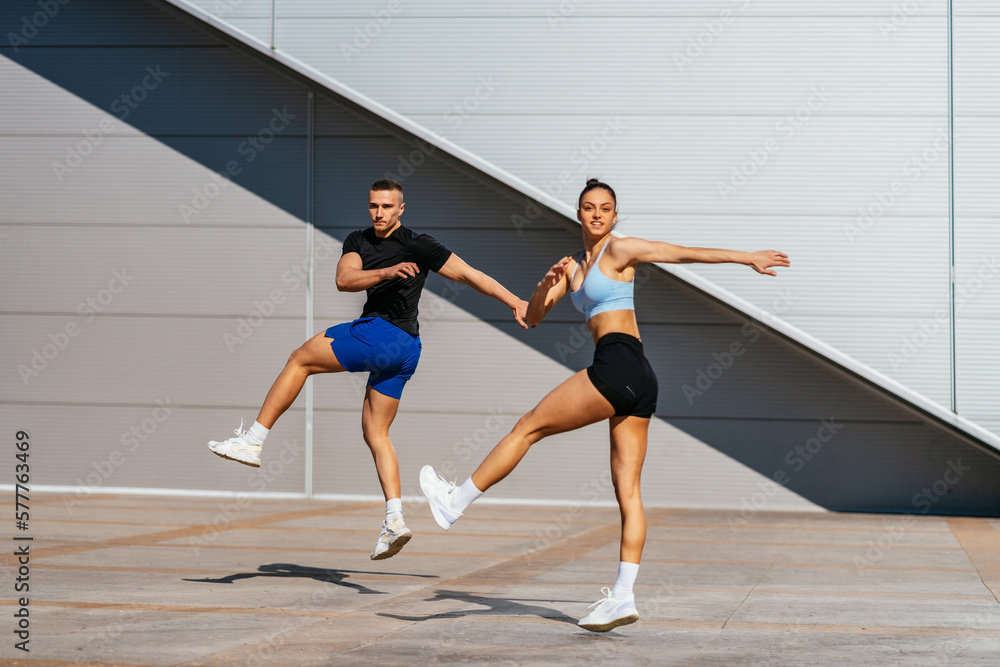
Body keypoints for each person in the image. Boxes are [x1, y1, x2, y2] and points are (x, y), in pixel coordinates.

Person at [420, 178, 789, 632]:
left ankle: (454, 503)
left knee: (527, 427)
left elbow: (679, 252)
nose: (597, 214)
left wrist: (746, 257)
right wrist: (545, 285)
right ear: (578, 214)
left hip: (619, 365)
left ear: (615, 216)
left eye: (606, 208)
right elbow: (532, 317)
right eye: (589, 207)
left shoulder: (619, 251)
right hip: (638, 378)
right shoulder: (572, 268)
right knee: (627, 492)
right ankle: (622, 597)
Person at [209, 178, 528, 561]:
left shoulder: (419, 244)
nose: (379, 213)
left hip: (383, 335)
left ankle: (254, 440)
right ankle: (394, 518)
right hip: (406, 349)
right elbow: (344, 279)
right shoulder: (358, 241)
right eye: (374, 206)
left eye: (387, 207)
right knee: (375, 431)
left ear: (401, 209)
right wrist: (386, 272)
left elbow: (471, 275)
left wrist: (515, 301)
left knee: (299, 358)